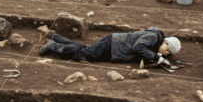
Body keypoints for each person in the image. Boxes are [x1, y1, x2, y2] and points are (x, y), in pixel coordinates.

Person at [38, 27, 180, 65]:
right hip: (112, 45)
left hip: (113, 45)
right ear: (166, 42)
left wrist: (155, 56)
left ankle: (56, 38)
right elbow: (139, 48)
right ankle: (52, 45)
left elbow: (142, 49)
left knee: (84, 49)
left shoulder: (155, 39)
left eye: (168, 54)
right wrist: (157, 57)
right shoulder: (153, 37)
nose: (165, 53)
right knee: (83, 55)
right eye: (167, 50)